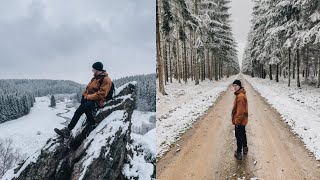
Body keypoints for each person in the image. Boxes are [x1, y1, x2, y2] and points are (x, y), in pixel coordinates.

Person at [54, 61, 113, 138]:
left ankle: (68, 130)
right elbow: (87, 89)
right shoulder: (94, 79)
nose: (92, 71)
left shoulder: (106, 80)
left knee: (79, 111)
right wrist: (84, 96)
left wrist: (88, 97)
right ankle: (92, 123)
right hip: (90, 100)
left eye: (94, 70)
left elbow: (102, 94)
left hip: (97, 101)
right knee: (82, 109)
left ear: (98, 70)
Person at [231, 79, 248, 160]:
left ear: (239, 86)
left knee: (238, 136)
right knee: (243, 134)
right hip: (243, 120)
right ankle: (245, 148)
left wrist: (237, 122)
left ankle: (238, 153)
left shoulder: (240, 96)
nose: (234, 87)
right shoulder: (240, 94)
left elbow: (240, 111)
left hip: (240, 120)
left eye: (236, 85)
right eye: (233, 85)